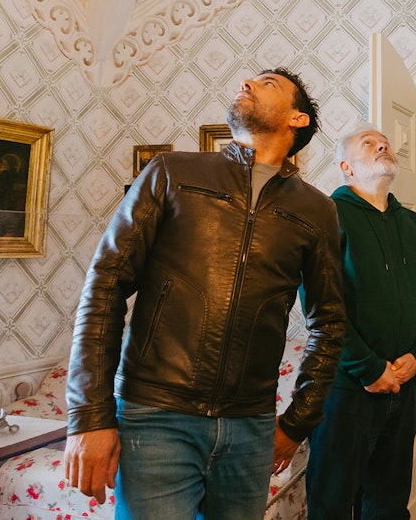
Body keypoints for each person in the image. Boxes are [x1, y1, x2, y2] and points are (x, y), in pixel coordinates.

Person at [64, 68, 346, 519]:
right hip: (154, 416)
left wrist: (298, 421)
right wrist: (90, 415)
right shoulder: (171, 173)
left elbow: (330, 321)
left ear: (298, 119)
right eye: (249, 79)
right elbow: (104, 289)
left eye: (268, 82)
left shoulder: (317, 210)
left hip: (251, 426)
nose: (247, 82)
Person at [305, 124, 416, 519]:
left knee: (389, 500)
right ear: (346, 166)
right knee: (332, 501)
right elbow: (321, 306)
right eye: (369, 143)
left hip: (405, 384)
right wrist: (368, 367)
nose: (383, 145)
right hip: (346, 387)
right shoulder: (326, 219)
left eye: (385, 142)